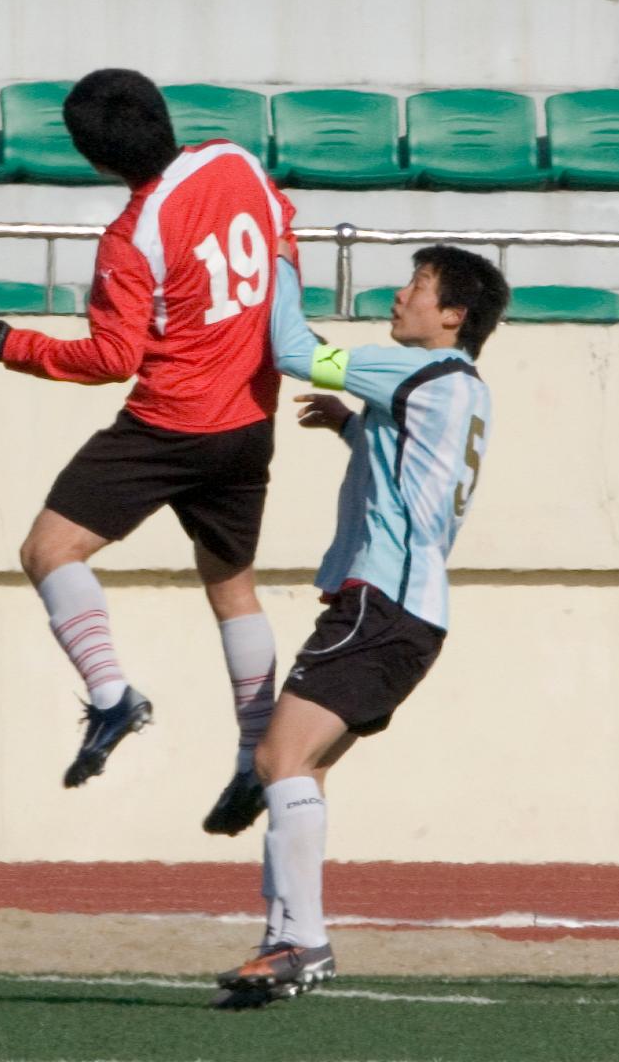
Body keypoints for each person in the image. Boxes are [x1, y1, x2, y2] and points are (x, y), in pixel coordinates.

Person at [0, 68, 298, 833]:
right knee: (231, 584)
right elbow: (281, 238)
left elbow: (113, 358)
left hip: (170, 424)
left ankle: (112, 696)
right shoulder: (234, 161)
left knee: (49, 551)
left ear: (95, 159)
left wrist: (12, 343)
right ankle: (255, 753)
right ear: (162, 113)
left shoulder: (131, 236)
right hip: (249, 416)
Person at [215, 243, 509, 1008]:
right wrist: (351, 427)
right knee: (297, 771)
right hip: (408, 612)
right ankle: (283, 939)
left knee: (278, 759)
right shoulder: (459, 389)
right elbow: (415, 469)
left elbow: (289, 350)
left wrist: (272, 256)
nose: (400, 294)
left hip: (380, 605)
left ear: (452, 315)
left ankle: (301, 941)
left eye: (417, 285)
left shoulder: (414, 371)